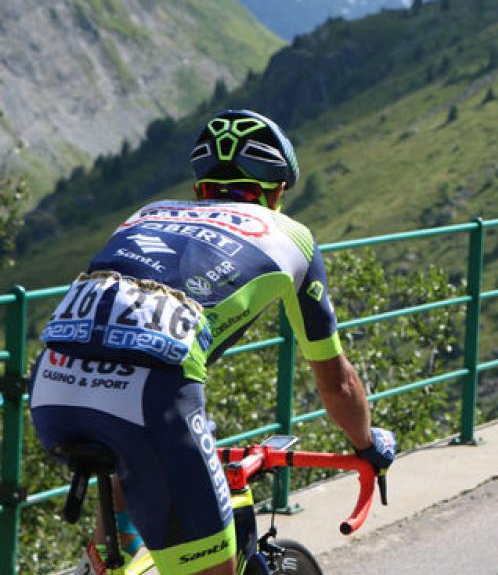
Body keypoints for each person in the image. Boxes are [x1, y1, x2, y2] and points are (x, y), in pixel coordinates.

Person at [29, 109, 396, 575]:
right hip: (148, 399)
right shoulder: (293, 238)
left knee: (130, 484)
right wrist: (367, 444)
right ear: (278, 190)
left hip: (52, 382)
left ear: (200, 186)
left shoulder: (148, 212)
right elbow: (337, 383)